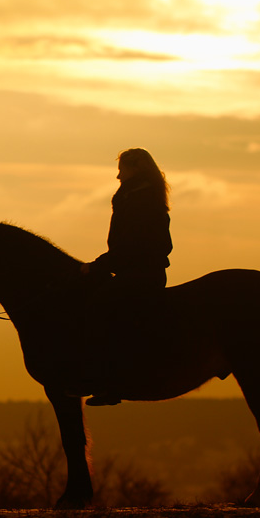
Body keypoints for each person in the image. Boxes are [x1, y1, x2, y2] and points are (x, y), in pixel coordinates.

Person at [77, 148, 172, 405]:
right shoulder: (139, 197)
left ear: (135, 170)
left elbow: (131, 245)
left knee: (98, 308)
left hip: (140, 274)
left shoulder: (139, 201)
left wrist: (99, 265)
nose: (118, 175)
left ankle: (110, 381)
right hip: (136, 271)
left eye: (122, 169)